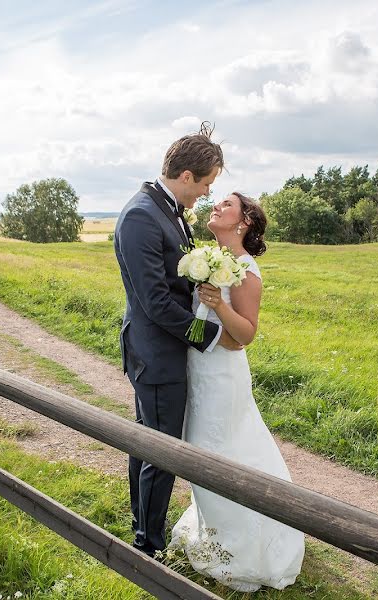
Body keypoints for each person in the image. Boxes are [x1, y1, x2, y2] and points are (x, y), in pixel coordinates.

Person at [114, 126, 244, 558]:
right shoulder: (140, 217)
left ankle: (141, 529)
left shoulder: (164, 209)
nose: (207, 194)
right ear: (186, 175)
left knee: (146, 441)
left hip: (163, 353)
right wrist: (212, 335)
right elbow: (156, 305)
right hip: (156, 355)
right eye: (206, 184)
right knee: (161, 450)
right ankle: (147, 547)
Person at [169, 192, 304, 592]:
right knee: (201, 450)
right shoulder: (210, 258)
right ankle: (215, 534)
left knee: (218, 449)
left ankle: (242, 547)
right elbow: (200, 322)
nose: (216, 207)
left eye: (226, 204)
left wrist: (219, 304)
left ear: (243, 221)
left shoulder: (246, 268)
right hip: (199, 367)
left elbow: (245, 334)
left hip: (223, 376)